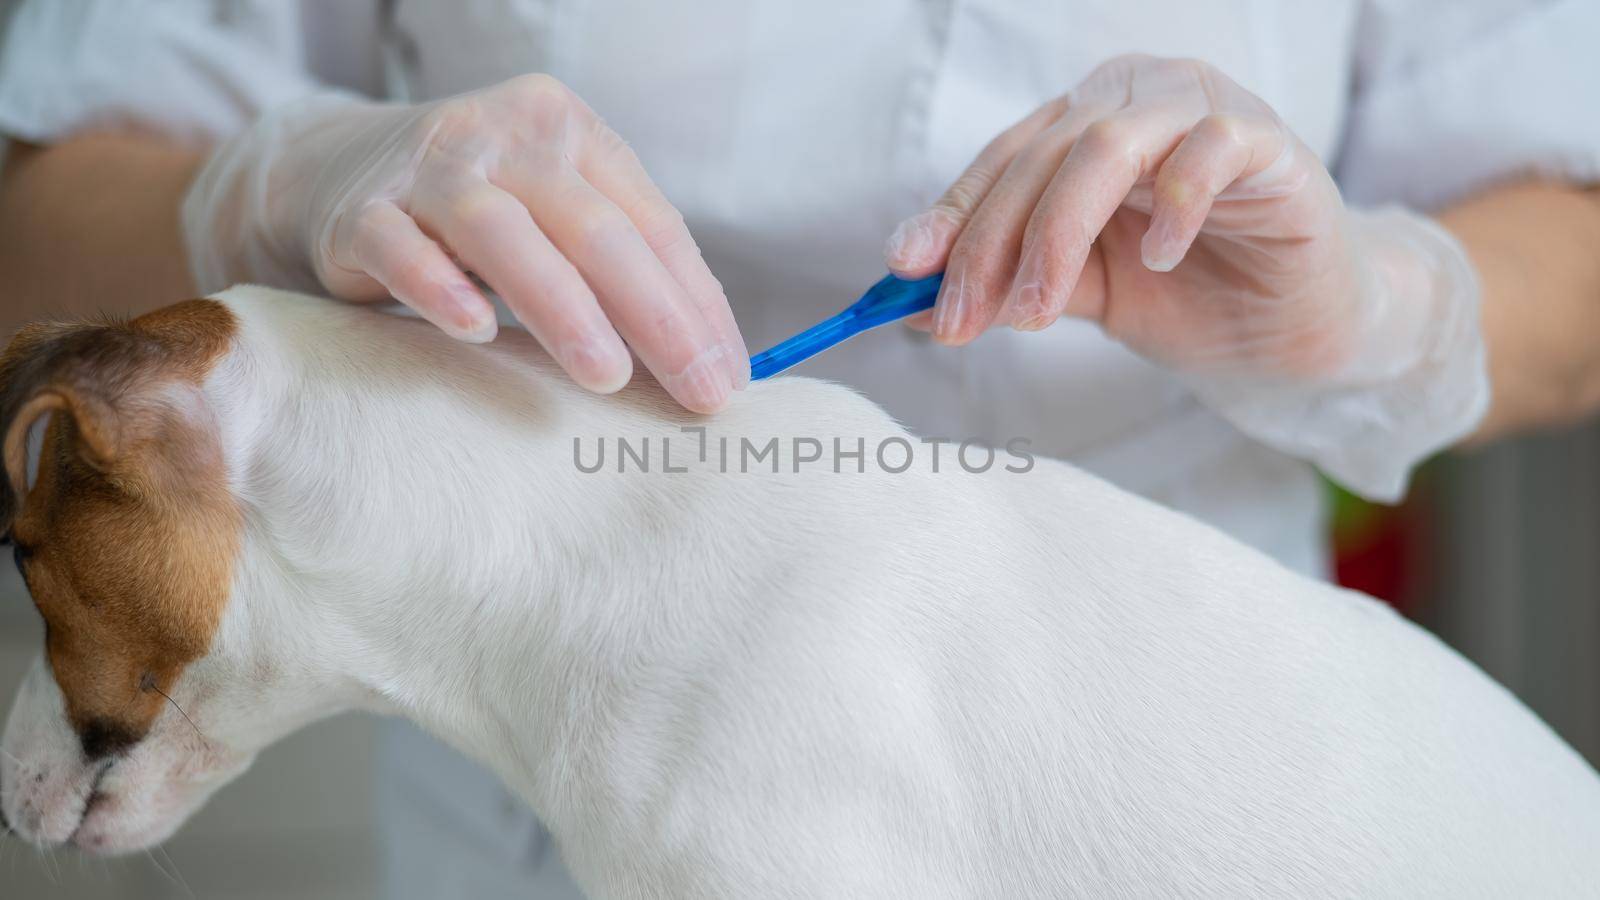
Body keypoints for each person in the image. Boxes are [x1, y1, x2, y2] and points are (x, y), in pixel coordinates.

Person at [1, 1, 1596, 896]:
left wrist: (1387, 310)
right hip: (512, 814)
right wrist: (261, 186)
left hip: (1212, 794)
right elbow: (38, 199)